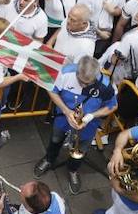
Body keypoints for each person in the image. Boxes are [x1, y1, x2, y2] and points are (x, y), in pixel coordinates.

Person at [34, 56, 117, 194]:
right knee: (55, 139)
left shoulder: (105, 85)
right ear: (77, 72)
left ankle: (73, 170)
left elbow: (112, 106)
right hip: (63, 117)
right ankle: (49, 159)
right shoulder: (66, 73)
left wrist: (91, 116)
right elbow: (51, 90)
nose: (84, 85)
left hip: (87, 124)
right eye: (81, 81)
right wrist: (67, 111)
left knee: (81, 148)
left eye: (88, 83)